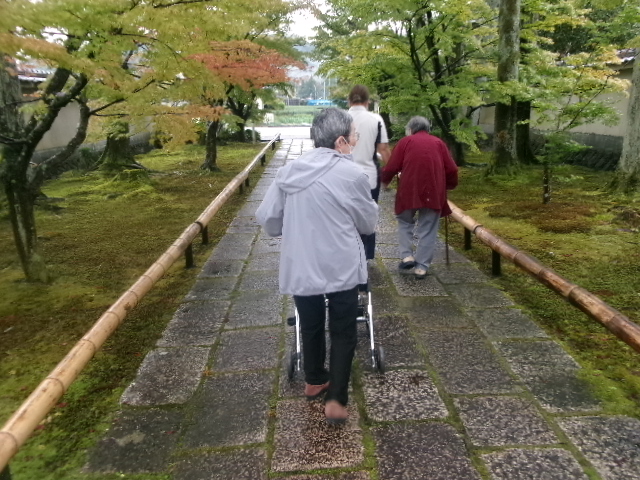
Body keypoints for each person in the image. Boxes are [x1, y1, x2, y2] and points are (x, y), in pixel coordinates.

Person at [256, 108, 379, 424]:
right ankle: (336, 397)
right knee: (343, 329)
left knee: (309, 322)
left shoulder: (289, 172)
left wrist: (289, 227)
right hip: (341, 263)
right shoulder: (352, 175)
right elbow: (367, 223)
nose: (355, 140)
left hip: (302, 262)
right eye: (353, 135)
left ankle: (314, 380)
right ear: (340, 141)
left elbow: (268, 219)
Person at [380, 116, 458, 279]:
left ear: (411, 129)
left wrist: (385, 180)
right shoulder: (439, 143)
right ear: (428, 129)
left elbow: (392, 166)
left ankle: (407, 256)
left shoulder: (405, 142)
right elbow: (451, 169)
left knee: (404, 221)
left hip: (409, 190)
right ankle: (421, 267)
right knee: (428, 228)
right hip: (433, 191)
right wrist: (449, 185)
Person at [347, 85, 391, 260]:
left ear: (349, 101)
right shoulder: (376, 119)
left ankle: (349, 253)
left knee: (346, 216)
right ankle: (366, 254)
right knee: (368, 215)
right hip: (369, 176)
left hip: (344, 176)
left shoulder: (341, 118)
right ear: (368, 102)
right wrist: (391, 173)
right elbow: (383, 149)